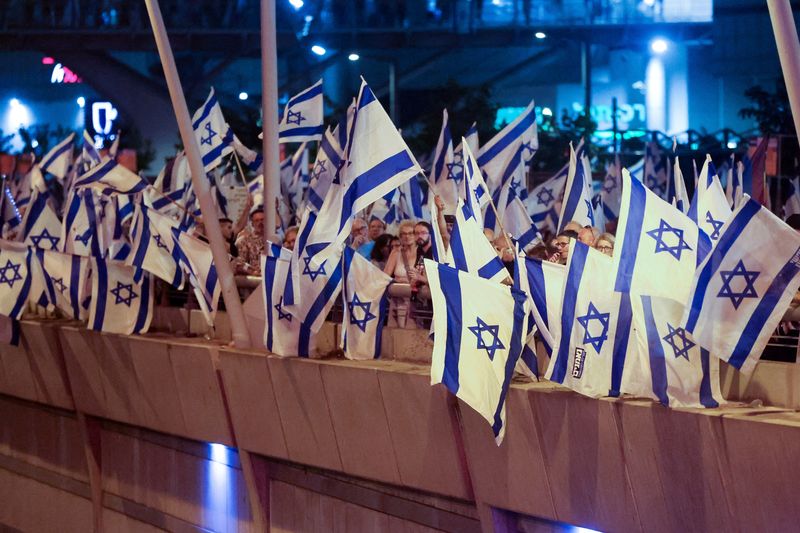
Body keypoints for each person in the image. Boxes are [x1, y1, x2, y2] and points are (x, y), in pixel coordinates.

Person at [384, 220, 418, 327]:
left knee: (413, 334)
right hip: (397, 299)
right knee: (396, 333)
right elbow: (385, 275)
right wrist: (395, 281)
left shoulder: (421, 252)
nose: (407, 236)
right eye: (403, 234)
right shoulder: (396, 252)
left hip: (415, 300)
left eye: (410, 233)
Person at [235, 207, 266, 275]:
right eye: (257, 220)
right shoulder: (245, 241)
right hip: (255, 278)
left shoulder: (275, 239)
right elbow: (240, 264)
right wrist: (252, 272)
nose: (260, 223)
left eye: (262, 220)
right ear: (252, 223)